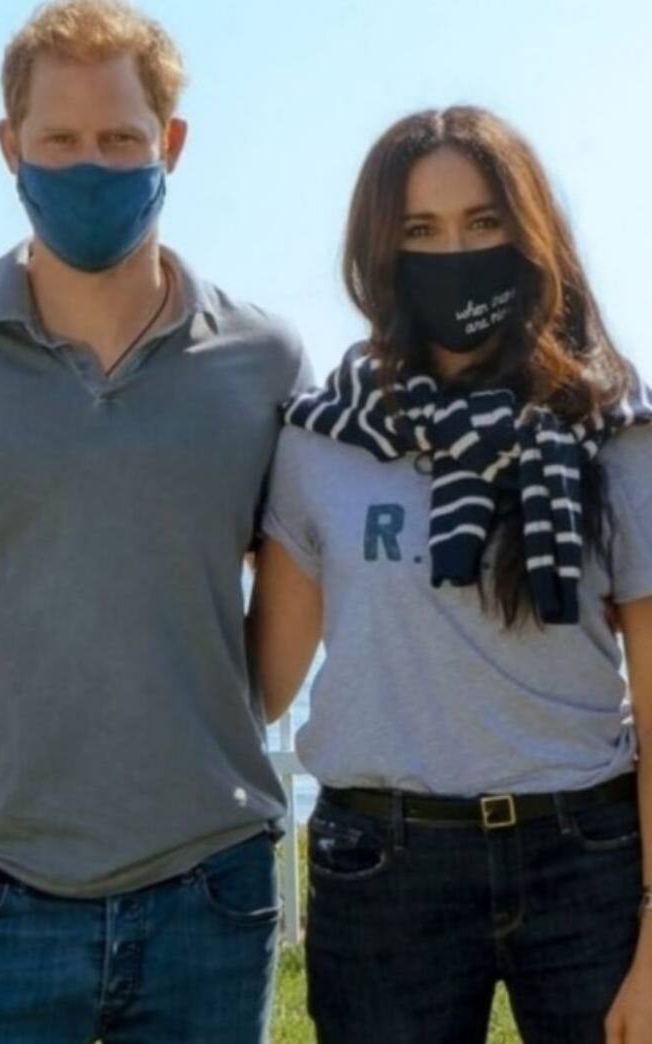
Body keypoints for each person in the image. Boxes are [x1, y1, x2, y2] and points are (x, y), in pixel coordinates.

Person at [0, 2, 311, 1040]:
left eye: (119, 139)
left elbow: (290, 603)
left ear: (171, 145)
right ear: (9, 146)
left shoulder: (265, 363)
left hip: (210, 891)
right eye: (58, 139)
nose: (89, 166)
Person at [250, 106, 652, 1044]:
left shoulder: (616, 432)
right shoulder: (321, 439)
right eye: (420, 232)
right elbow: (258, 686)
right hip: (382, 867)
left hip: (585, 857)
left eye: (483, 222)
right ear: (379, 253)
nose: (454, 253)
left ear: (532, 233)